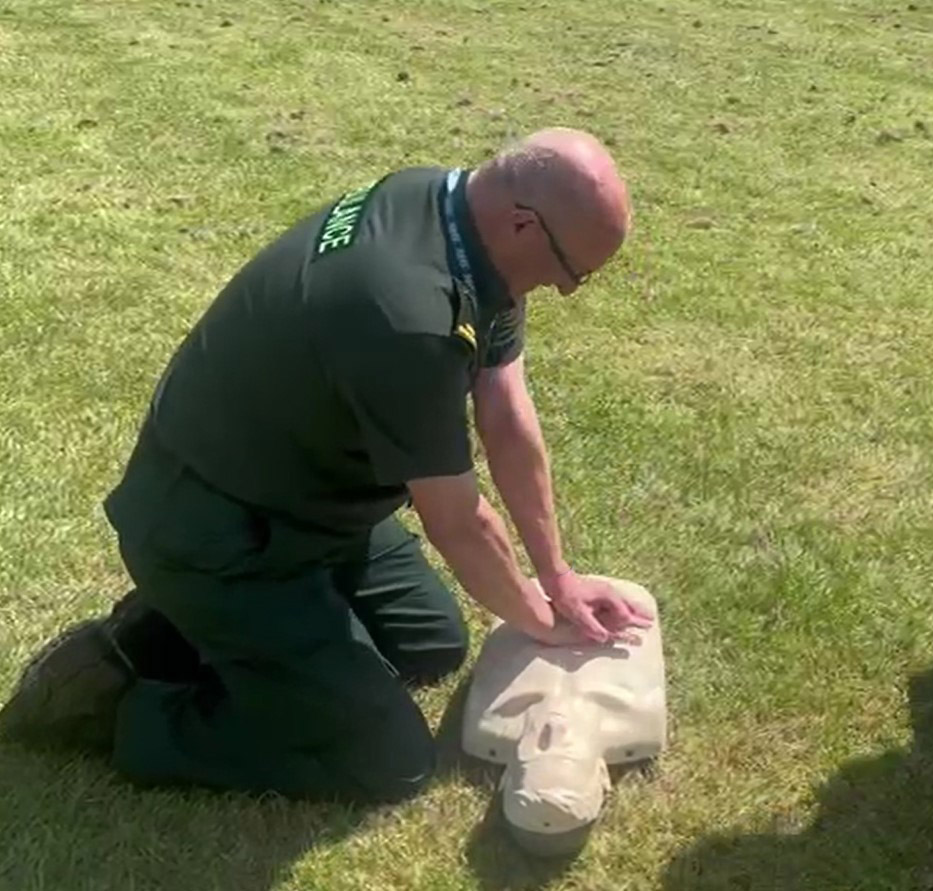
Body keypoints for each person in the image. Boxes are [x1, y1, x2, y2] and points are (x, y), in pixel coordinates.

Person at [0, 127, 654, 804]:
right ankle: (117, 698)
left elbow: (506, 409)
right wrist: (541, 621)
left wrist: (555, 575)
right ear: (523, 223)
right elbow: (459, 522)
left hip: (309, 499)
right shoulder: (404, 311)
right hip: (217, 530)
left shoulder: (452, 210)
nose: (568, 291)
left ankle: (229, 642)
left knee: (428, 642)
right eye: (573, 271)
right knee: (386, 760)